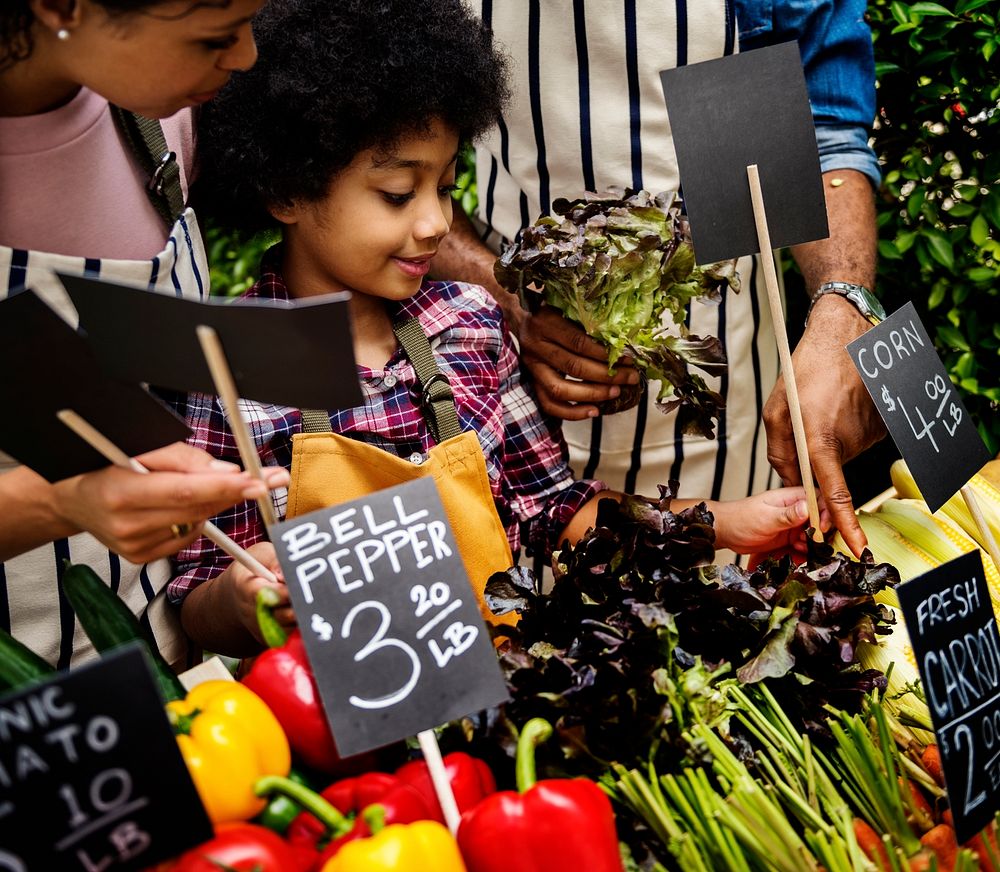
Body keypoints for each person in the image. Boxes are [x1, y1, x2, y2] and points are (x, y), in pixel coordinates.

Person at [172, 0, 831, 657]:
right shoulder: (227, 364)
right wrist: (238, 595)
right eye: (400, 194)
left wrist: (725, 524)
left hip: (501, 709)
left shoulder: (470, 324)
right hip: (329, 737)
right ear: (286, 190)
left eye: (447, 188)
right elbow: (195, 595)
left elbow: (559, 513)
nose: (433, 222)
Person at [431, 1, 883, 561]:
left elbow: (825, 135)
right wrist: (506, 306)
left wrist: (843, 307)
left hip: (733, 400)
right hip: (516, 403)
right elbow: (381, 169)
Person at [0, 0, 289, 670]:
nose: (247, 55)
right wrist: (58, 504)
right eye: (215, 36)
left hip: (164, 675)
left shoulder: (157, 121)